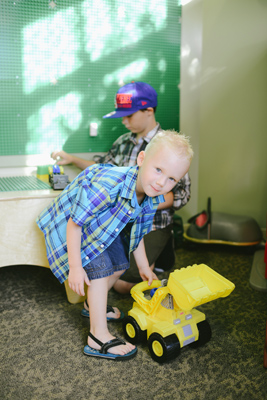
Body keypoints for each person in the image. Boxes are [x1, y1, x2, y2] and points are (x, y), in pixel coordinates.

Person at [37, 130, 193, 361]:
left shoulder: (151, 196)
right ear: (141, 160)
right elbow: (75, 224)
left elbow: (138, 232)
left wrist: (143, 267)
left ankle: (93, 304)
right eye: (158, 170)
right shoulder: (109, 185)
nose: (162, 182)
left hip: (101, 230)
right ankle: (97, 336)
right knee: (100, 274)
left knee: (119, 265)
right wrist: (76, 267)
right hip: (70, 227)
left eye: (172, 179)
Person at [51, 82, 191, 299]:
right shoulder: (122, 143)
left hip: (151, 223)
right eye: (122, 116)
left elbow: (183, 194)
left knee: (126, 283)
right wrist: (71, 159)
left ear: (148, 111)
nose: (124, 121)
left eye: (129, 115)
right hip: (117, 220)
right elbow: (102, 169)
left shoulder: (169, 146)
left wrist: (142, 199)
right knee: (109, 270)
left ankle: (162, 258)